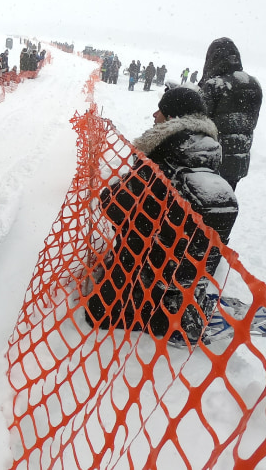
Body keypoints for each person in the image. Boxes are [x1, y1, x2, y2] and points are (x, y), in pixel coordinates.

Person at [85, 87, 238, 345]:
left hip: (138, 287)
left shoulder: (162, 158)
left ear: (172, 118)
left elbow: (113, 206)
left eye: (161, 110)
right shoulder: (206, 156)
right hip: (184, 284)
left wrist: (116, 186)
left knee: (98, 312)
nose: (155, 114)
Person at [198, 37, 263, 190]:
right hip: (239, 160)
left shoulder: (215, 84)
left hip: (214, 159)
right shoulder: (254, 84)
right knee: (226, 199)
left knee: (205, 205)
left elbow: (199, 121)